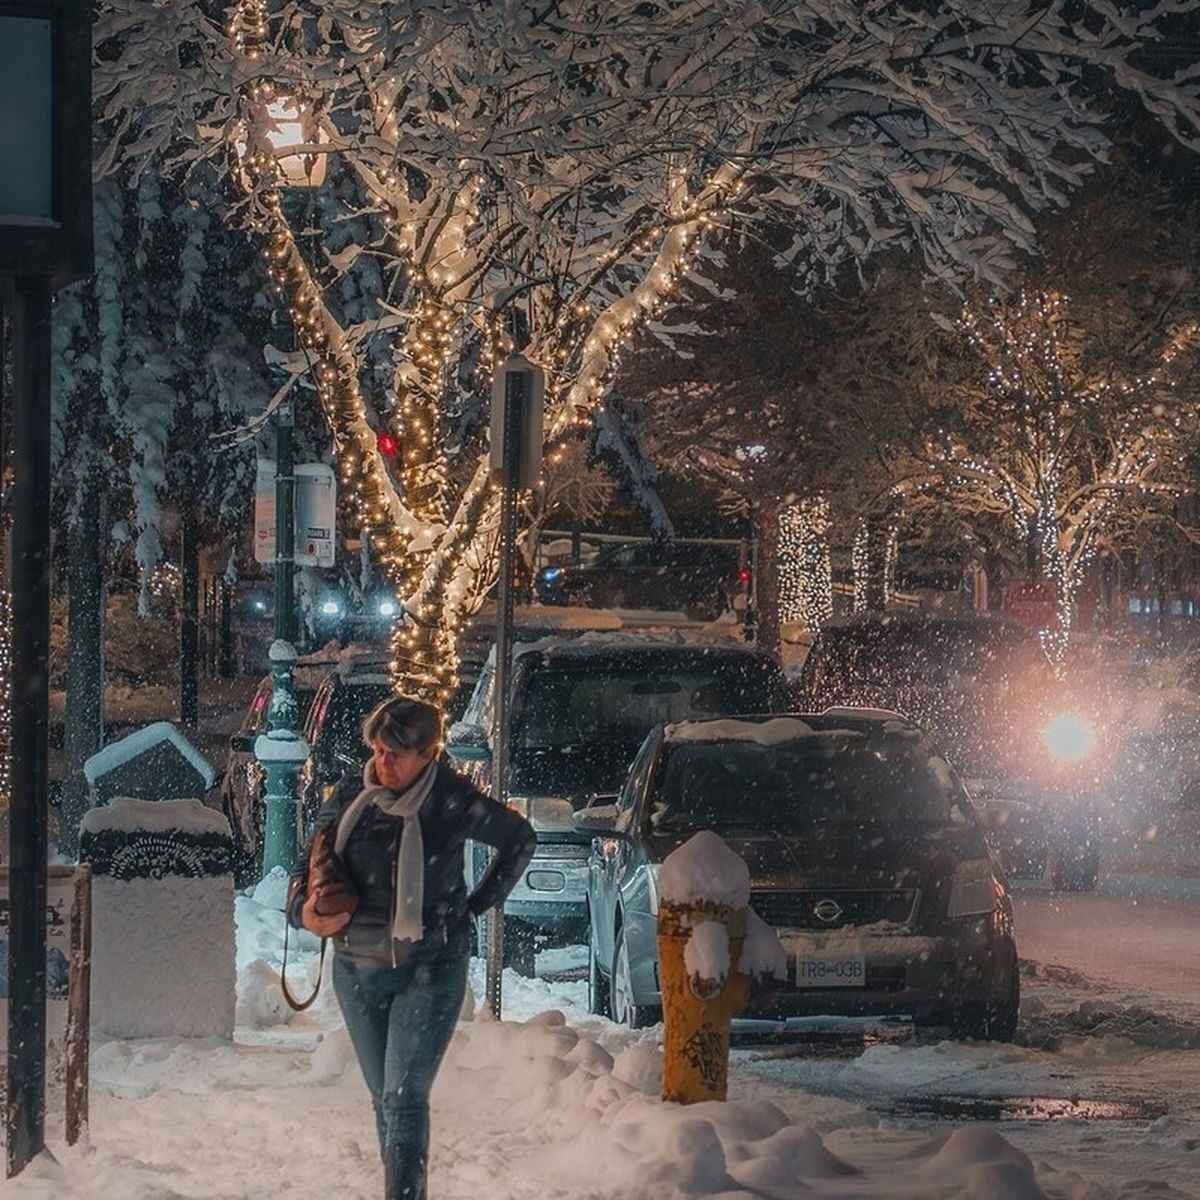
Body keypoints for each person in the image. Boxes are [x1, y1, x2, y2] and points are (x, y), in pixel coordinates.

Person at [289, 694, 535, 1200]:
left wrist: (474, 907)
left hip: (430, 969)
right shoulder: (352, 796)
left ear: (428, 755)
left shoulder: (449, 799)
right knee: (385, 1098)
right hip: (356, 970)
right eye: (378, 750)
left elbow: (519, 840)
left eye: (396, 754)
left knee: (403, 1098)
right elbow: (306, 864)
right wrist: (305, 913)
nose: (383, 763)